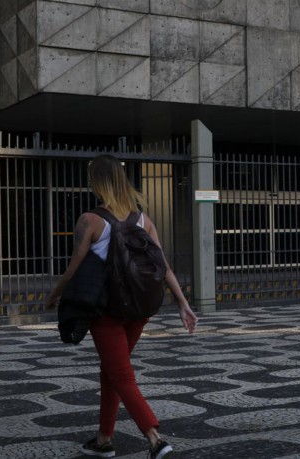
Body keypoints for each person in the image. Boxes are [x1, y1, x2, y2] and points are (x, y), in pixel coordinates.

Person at [45, 154, 198, 459]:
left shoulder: (90, 220)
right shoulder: (143, 220)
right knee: (112, 371)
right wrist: (183, 304)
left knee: (121, 375)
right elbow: (163, 266)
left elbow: (74, 269)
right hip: (139, 311)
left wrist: (53, 296)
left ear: (97, 182)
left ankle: (155, 439)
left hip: (107, 313)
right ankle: (104, 440)